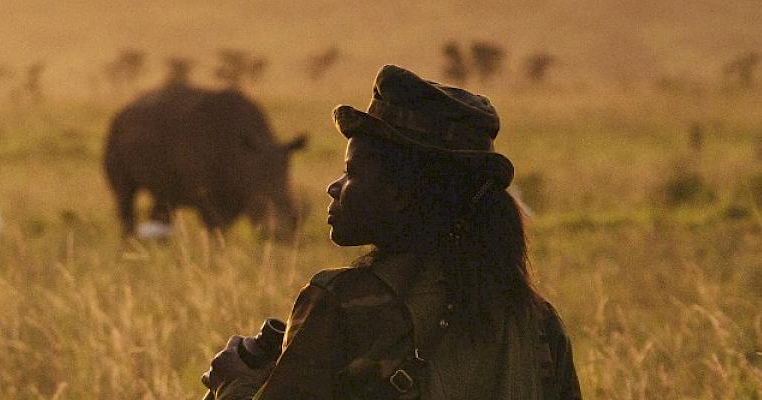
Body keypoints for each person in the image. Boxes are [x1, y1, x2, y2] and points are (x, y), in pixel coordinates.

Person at [202, 65, 582, 399]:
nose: (334, 187)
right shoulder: (538, 323)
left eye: (352, 173)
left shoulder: (340, 303)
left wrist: (234, 383)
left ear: (399, 194)